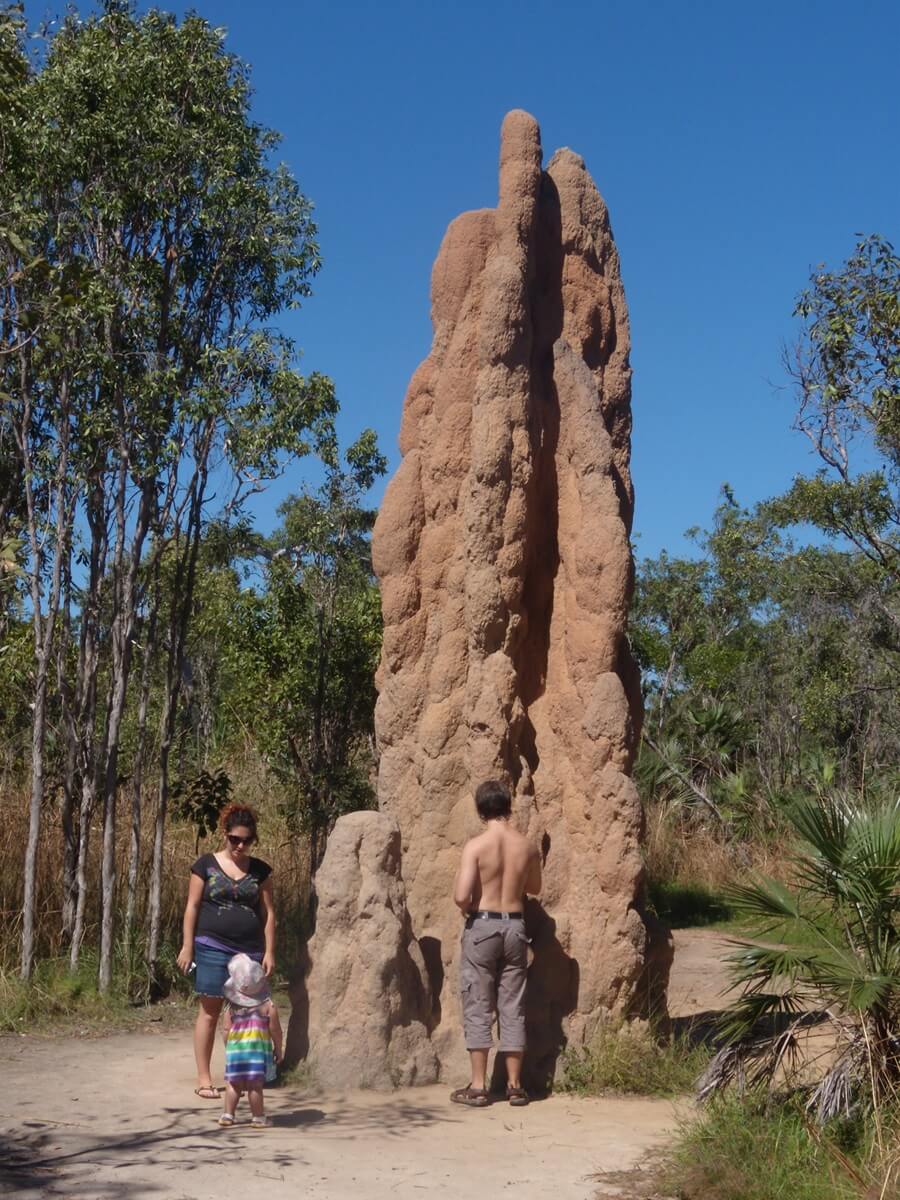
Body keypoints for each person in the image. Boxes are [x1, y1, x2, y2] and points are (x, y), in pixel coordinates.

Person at [450, 779, 541, 1108]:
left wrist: (470, 908)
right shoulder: (527, 846)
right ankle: (515, 1086)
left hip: (483, 925)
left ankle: (478, 1086)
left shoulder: (475, 847)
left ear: (480, 810)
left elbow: (461, 896)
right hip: (516, 927)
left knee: (478, 1004)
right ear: (508, 807)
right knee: (512, 1005)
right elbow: (534, 887)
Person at [177, 803, 276, 1099]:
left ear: (253, 839)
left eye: (246, 840)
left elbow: (269, 913)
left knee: (247, 1015)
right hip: (211, 947)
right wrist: (187, 946)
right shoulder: (205, 865)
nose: (240, 845)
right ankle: (205, 1078)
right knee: (209, 1012)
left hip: (249, 953)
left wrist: (270, 951)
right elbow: (192, 906)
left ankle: (243, 1076)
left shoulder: (260, 871)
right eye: (234, 839)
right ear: (225, 835)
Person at [218, 952, 283, 1129]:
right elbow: (275, 1030)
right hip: (256, 1054)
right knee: (255, 1086)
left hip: (236, 1053)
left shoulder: (231, 1007)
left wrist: (228, 1047)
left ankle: (227, 1115)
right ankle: (258, 1117)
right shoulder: (268, 1006)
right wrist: (278, 1049)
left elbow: (225, 1029)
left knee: (233, 1084)